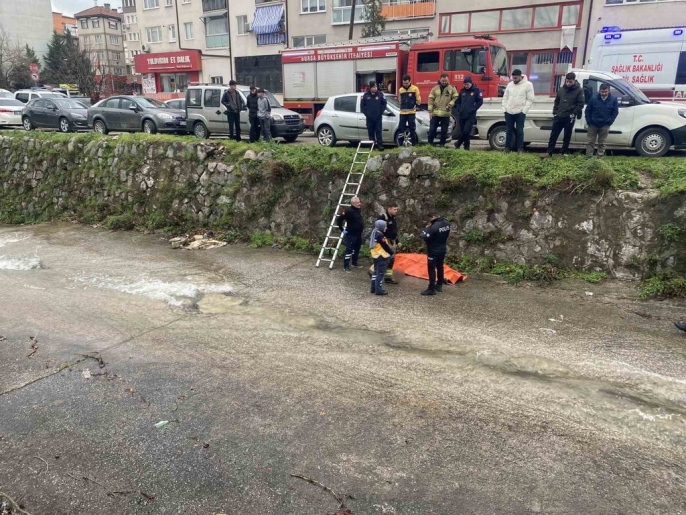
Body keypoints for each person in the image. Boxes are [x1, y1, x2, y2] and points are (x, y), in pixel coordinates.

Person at [542, 72, 585, 158]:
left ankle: (563, 152)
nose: (568, 83)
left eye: (570, 81)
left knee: (567, 136)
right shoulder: (561, 89)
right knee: (553, 135)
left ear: (574, 80)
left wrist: (574, 113)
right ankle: (549, 152)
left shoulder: (579, 90)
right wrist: (555, 112)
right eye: (567, 81)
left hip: (569, 116)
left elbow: (580, 104)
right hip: (559, 115)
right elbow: (557, 101)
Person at [502, 69, 534, 154]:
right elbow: (505, 97)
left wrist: (524, 111)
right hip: (509, 111)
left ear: (520, 76)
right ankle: (507, 148)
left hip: (520, 112)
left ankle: (520, 148)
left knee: (519, 131)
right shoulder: (510, 85)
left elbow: (530, 99)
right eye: (513, 78)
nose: (514, 80)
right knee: (509, 130)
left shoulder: (528, 85)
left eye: (516, 78)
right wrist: (505, 109)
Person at [420, 211, 451, 296]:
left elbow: (426, 237)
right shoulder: (447, 223)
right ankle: (439, 285)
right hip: (442, 248)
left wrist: (425, 229)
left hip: (433, 250)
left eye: (430, 218)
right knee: (440, 266)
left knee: (431, 268)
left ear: (433, 216)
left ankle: (431, 288)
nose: (430, 220)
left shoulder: (434, 227)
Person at [368, 202, 399, 284]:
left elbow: (394, 231)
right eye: (394, 209)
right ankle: (372, 271)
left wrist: (397, 241)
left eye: (396, 209)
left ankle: (388, 277)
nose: (396, 211)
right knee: (383, 259)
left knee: (391, 260)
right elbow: (378, 231)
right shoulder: (382, 217)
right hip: (385, 241)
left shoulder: (393, 218)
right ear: (389, 209)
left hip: (392, 241)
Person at [585, 83, 619, 158]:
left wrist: (610, 121)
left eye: (605, 92)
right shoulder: (593, 98)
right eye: (602, 91)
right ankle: (588, 157)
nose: (603, 93)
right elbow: (588, 110)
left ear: (609, 91)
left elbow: (615, 112)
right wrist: (589, 121)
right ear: (599, 91)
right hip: (593, 124)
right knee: (590, 142)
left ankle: (600, 157)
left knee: (602, 143)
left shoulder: (613, 99)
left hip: (605, 125)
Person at [453, 76, 483, 150]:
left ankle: (458, 143)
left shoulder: (476, 91)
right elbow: (458, 101)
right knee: (464, 132)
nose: (466, 86)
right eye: (465, 84)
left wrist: (474, 109)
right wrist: (458, 109)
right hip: (462, 114)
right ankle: (466, 147)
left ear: (471, 83)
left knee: (466, 131)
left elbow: (480, 101)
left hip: (470, 115)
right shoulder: (462, 91)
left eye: (467, 84)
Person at [427, 73, 458, 147]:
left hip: (445, 113)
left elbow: (455, 97)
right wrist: (430, 111)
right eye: (443, 81)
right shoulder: (435, 88)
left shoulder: (452, 88)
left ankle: (442, 145)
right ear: (440, 79)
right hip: (435, 113)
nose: (444, 82)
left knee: (444, 131)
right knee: (432, 130)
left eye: (445, 81)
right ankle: (430, 145)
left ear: (448, 80)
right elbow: (430, 99)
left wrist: (450, 104)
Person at [336, 196, 364, 272]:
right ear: (353, 203)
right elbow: (339, 220)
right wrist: (342, 229)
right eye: (358, 202)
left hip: (358, 234)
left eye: (359, 202)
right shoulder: (348, 211)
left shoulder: (358, 210)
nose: (359, 203)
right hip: (351, 234)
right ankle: (346, 266)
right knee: (349, 250)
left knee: (356, 249)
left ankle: (354, 263)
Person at [369, 220, 395, 296]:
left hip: (375, 256)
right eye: (385, 226)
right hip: (382, 256)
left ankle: (373, 288)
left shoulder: (374, 233)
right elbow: (385, 246)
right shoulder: (380, 236)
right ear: (381, 227)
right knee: (380, 274)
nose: (386, 228)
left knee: (375, 272)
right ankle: (379, 290)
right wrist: (391, 253)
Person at [361, 81, 387, 150]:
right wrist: (367, 114)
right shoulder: (366, 95)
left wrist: (380, 112)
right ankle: (372, 146)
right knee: (371, 132)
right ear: (370, 88)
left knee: (378, 132)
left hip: (378, 117)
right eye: (374, 87)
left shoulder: (380, 94)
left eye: (376, 87)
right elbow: (362, 106)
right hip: (369, 118)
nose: (375, 88)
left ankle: (380, 146)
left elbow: (384, 104)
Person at [398, 74, 421, 145]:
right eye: (404, 83)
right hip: (402, 112)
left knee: (412, 128)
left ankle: (414, 144)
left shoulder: (415, 88)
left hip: (411, 112)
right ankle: (400, 144)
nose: (405, 85)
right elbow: (400, 100)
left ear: (410, 81)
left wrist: (415, 105)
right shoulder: (400, 90)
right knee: (401, 129)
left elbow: (419, 100)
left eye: (407, 83)